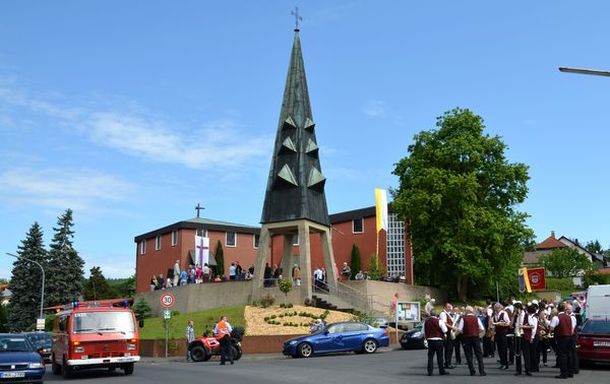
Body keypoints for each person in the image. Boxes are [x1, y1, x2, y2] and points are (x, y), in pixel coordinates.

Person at [456, 306, 486, 376]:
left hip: (466, 338)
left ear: (467, 311)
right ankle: (482, 371)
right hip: (475, 338)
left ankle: (472, 371)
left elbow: (460, 329)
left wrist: (455, 334)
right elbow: (482, 328)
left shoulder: (463, 319)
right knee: (479, 355)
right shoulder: (476, 318)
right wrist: (476, 332)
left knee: (469, 355)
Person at [549, 302, 576, 379]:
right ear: (564, 309)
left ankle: (564, 373)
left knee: (562, 355)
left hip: (561, 338)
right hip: (570, 337)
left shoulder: (556, 317)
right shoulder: (569, 317)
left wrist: (552, 331)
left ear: (558, 309)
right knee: (569, 355)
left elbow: (551, 328)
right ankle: (570, 372)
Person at [424, 310, 449, 376]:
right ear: (436, 315)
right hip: (438, 340)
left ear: (430, 315)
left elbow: (423, 332)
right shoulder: (439, 321)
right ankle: (441, 370)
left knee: (430, 356)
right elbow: (445, 330)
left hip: (430, 340)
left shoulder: (426, 322)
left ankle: (430, 371)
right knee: (440, 356)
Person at [492, 302, 510, 370]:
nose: (496, 310)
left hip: (503, 332)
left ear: (500, 308)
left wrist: (502, 324)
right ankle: (502, 363)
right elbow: (493, 324)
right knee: (499, 348)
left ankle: (505, 363)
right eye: (495, 309)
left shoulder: (504, 313)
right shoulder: (495, 315)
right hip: (497, 332)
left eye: (497, 309)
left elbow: (508, 323)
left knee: (503, 348)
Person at [439, 303, 455, 370]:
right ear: (445, 307)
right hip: (447, 332)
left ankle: (449, 362)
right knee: (448, 348)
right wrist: (453, 327)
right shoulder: (443, 314)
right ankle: (447, 363)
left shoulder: (448, 314)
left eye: (450, 307)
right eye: (448, 307)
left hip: (450, 332)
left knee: (450, 348)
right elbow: (444, 323)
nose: (450, 308)